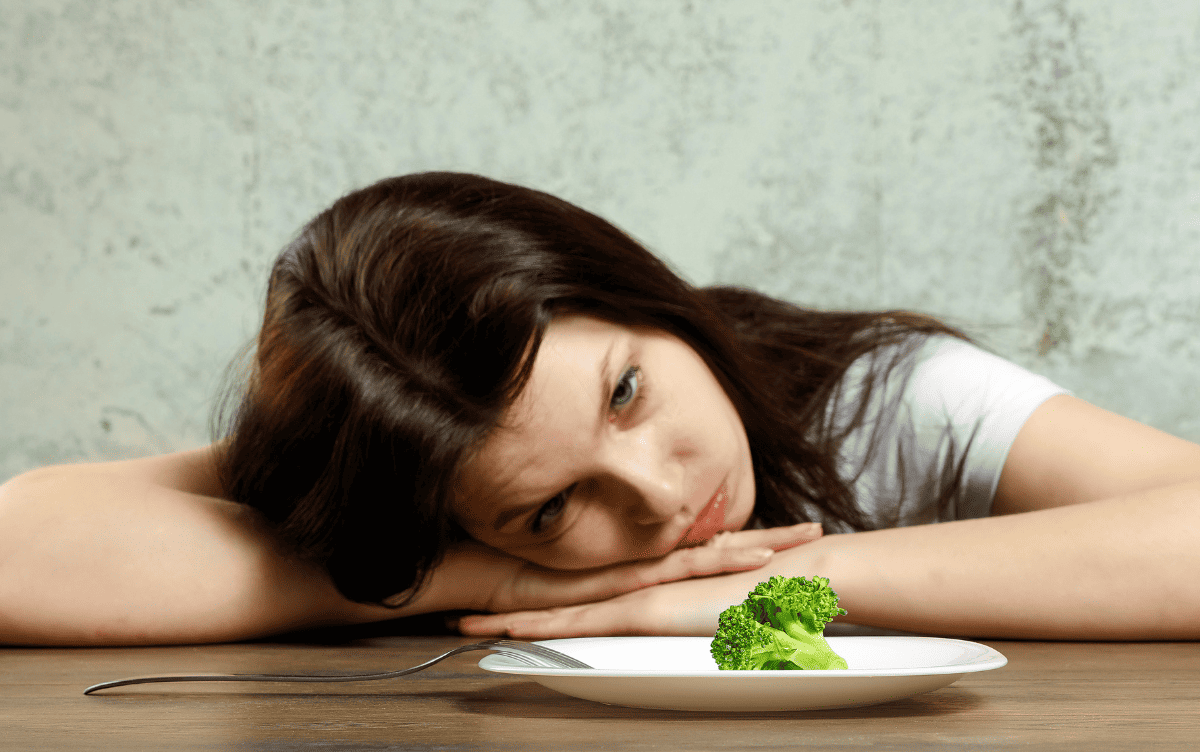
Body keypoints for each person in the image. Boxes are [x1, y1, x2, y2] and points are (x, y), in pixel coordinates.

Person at [1, 171, 1198, 647]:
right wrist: (493, 580)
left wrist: (769, 587)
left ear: (632, 289)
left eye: (626, 391)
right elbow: (21, 550)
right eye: (549, 508)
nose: (664, 496)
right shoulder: (429, 485)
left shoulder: (883, 400)